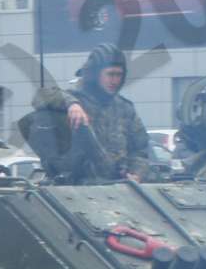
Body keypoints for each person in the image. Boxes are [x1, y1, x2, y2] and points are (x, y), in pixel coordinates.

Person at [22, 44, 149, 184]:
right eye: (110, 74)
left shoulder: (125, 109)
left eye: (119, 75)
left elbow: (140, 150)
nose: (115, 81)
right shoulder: (75, 99)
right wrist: (71, 104)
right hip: (78, 184)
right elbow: (41, 96)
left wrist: (136, 173)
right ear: (95, 74)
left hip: (117, 183)